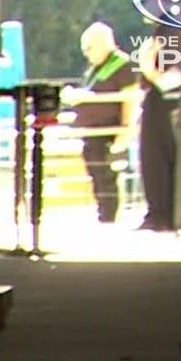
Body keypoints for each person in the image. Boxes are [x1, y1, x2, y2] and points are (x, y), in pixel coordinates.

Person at [66, 22, 137, 225]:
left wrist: (125, 130)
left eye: (89, 48)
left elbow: (130, 100)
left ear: (103, 44)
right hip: (91, 131)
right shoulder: (95, 68)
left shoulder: (122, 65)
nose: (86, 53)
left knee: (106, 175)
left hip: (108, 131)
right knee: (96, 174)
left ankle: (109, 216)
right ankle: (103, 213)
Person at [132, 31, 181, 232]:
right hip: (158, 100)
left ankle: (167, 214)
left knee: (164, 158)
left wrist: (150, 69)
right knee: (154, 158)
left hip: (170, 96)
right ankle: (160, 213)